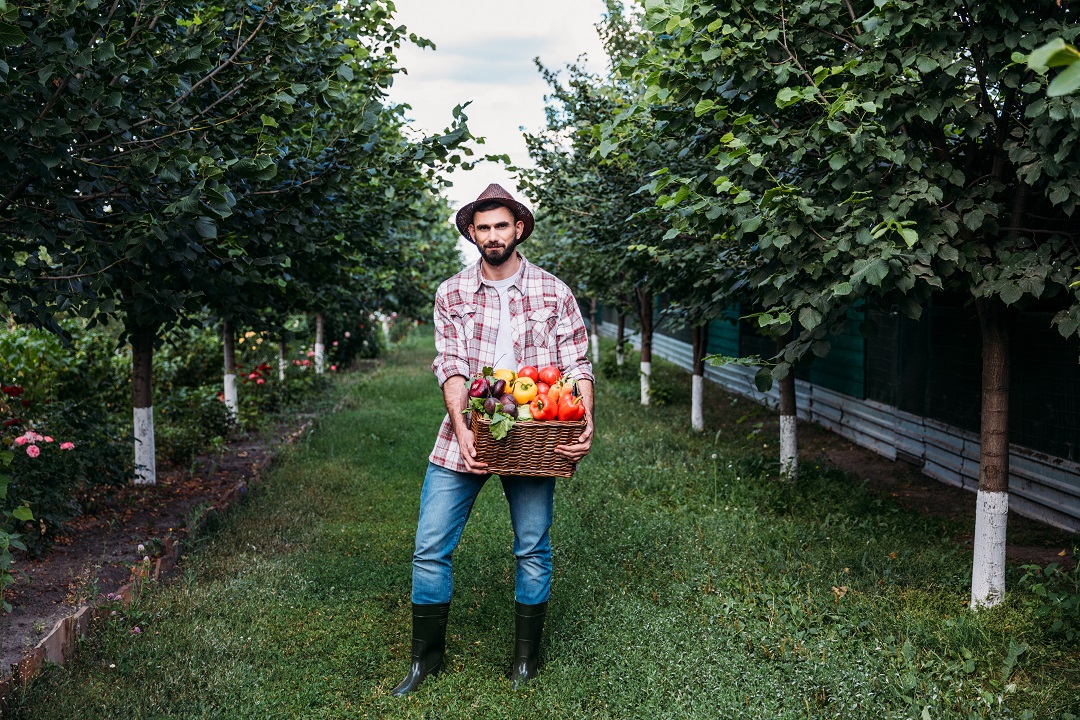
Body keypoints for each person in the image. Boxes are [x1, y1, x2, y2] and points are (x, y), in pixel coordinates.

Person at [392, 183, 595, 695]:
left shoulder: (554, 291)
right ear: (471, 234)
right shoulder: (452, 293)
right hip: (470, 426)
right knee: (430, 546)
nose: (492, 235)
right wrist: (462, 428)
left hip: (535, 428)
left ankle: (526, 658)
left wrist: (583, 417)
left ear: (519, 228)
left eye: (501, 225)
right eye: (482, 227)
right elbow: (453, 365)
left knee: (532, 547)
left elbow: (576, 363)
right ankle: (425, 662)